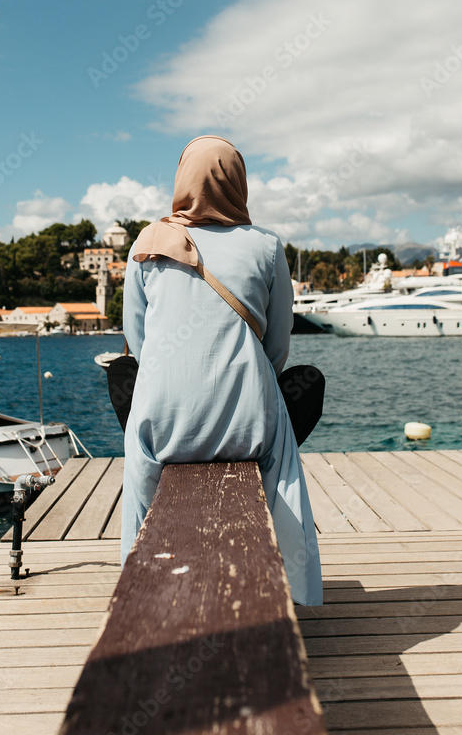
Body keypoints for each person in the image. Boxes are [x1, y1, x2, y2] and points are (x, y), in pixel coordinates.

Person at [121, 135, 322, 605]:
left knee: (137, 453)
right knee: (282, 458)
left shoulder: (149, 244)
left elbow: (139, 344)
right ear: (239, 182)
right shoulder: (268, 246)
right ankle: (295, 587)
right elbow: (276, 349)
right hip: (246, 427)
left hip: (163, 427)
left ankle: (137, 583)